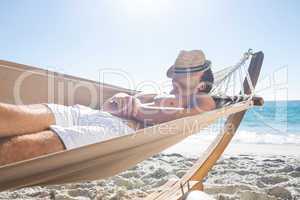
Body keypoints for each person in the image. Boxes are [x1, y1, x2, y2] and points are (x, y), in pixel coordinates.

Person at [0, 50, 215, 165]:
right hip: (87, 113)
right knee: (10, 115)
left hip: (116, 132)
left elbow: (180, 118)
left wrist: (137, 110)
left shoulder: (203, 99)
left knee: (22, 149)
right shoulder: (160, 93)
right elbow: (111, 103)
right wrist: (122, 98)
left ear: (202, 80)